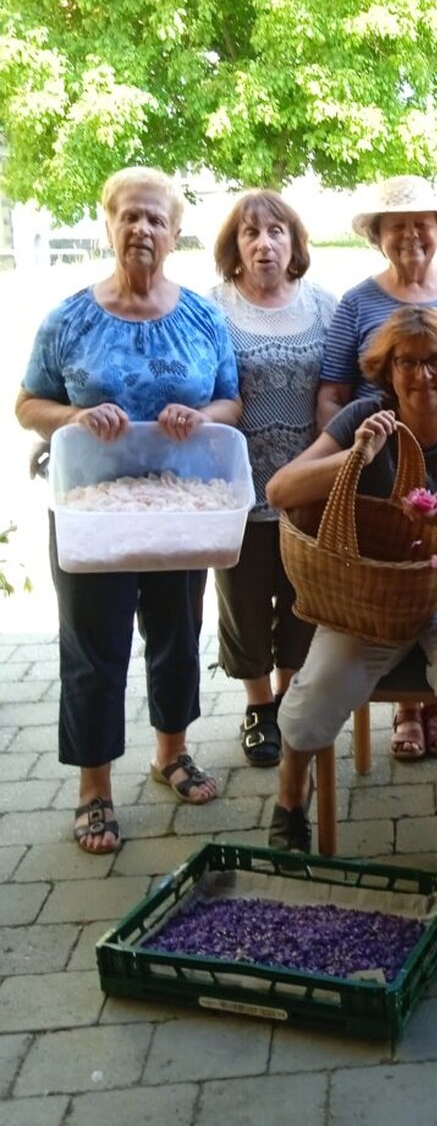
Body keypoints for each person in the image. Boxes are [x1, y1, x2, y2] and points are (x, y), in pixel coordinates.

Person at [266, 306, 437, 903]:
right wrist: (353, 456)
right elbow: (280, 490)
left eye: (435, 360)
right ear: (386, 372)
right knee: (318, 683)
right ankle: (290, 800)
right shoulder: (367, 417)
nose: (422, 375)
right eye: (406, 363)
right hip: (375, 596)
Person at [15, 167, 241, 854]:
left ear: (174, 233)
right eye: (129, 217)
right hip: (92, 512)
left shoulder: (203, 316)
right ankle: (93, 788)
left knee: (177, 630)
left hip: (181, 506)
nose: (142, 229)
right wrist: (77, 416)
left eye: (155, 219)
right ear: (109, 224)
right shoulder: (70, 318)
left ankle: (170, 752)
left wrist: (196, 416)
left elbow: (230, 403)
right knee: (93, 646)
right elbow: (28, 405)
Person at [315, 174, 437, 763]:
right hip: (385, 466)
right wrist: (345, 458)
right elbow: (334, 389)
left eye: (422, 223)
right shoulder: (358, 302)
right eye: (396, 225)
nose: (410, 236)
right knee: (398, 569)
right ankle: (408, 707)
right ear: (378, 236)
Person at [209, 191, 337, 768]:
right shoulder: (212, 308)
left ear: (295, 242)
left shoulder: (326, 307)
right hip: (235, 486)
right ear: (234, 248)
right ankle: (257, 705)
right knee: (242, 598)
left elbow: (340, 393)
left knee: (302, 596)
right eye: (250, 233)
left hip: (307, 487)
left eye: (277, 231)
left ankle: (289, 697)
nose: (264, 244)